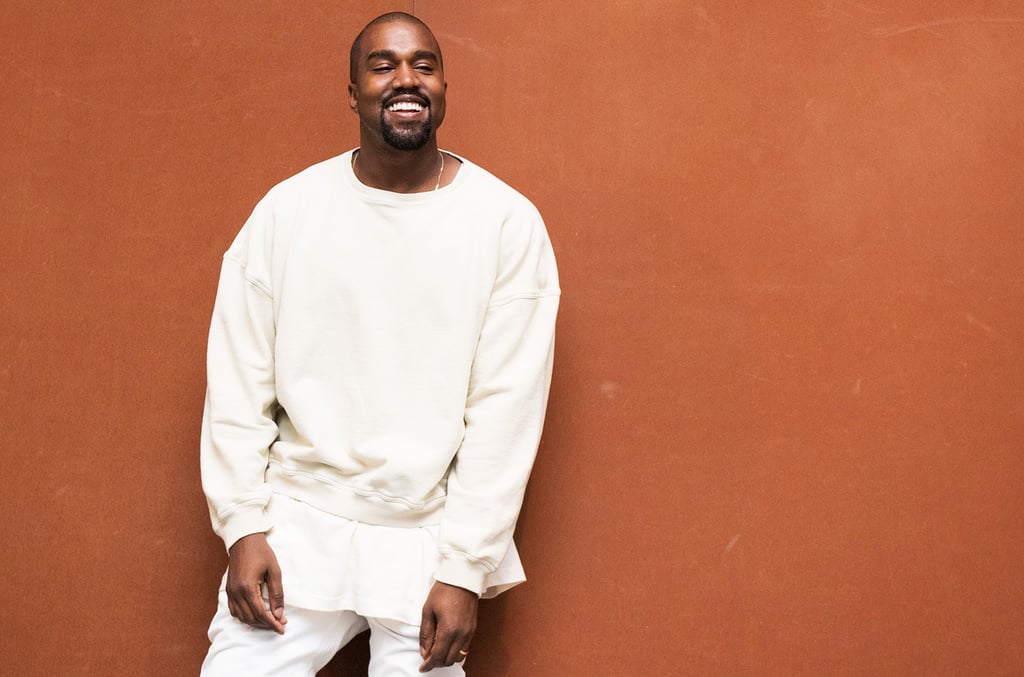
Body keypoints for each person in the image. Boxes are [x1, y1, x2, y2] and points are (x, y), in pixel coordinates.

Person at [198, 11, 559, 676]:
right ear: (353, 91)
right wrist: (243, 525)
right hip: (296, 528)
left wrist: (465, 568)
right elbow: (239, 377)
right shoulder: (288, 212)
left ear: (444, 85)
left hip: (428, 540)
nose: (406, 79)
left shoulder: (506, 224)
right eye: (383, 64)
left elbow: (505, 412)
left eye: (423, 64)